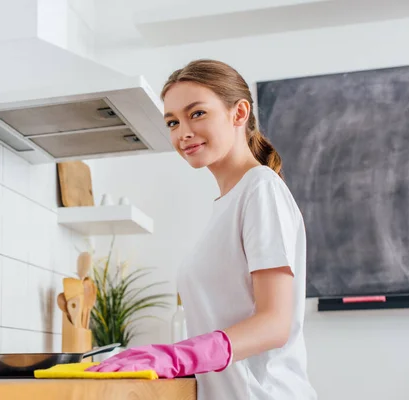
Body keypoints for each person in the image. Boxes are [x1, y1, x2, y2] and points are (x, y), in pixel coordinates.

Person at [86, 59, 317, 400]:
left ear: (239, 114)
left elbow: (274, 324)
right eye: (172, 122)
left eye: (196, 114)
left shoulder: (260, 189)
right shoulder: (229, 201)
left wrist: (177, 356)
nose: (183, 133)